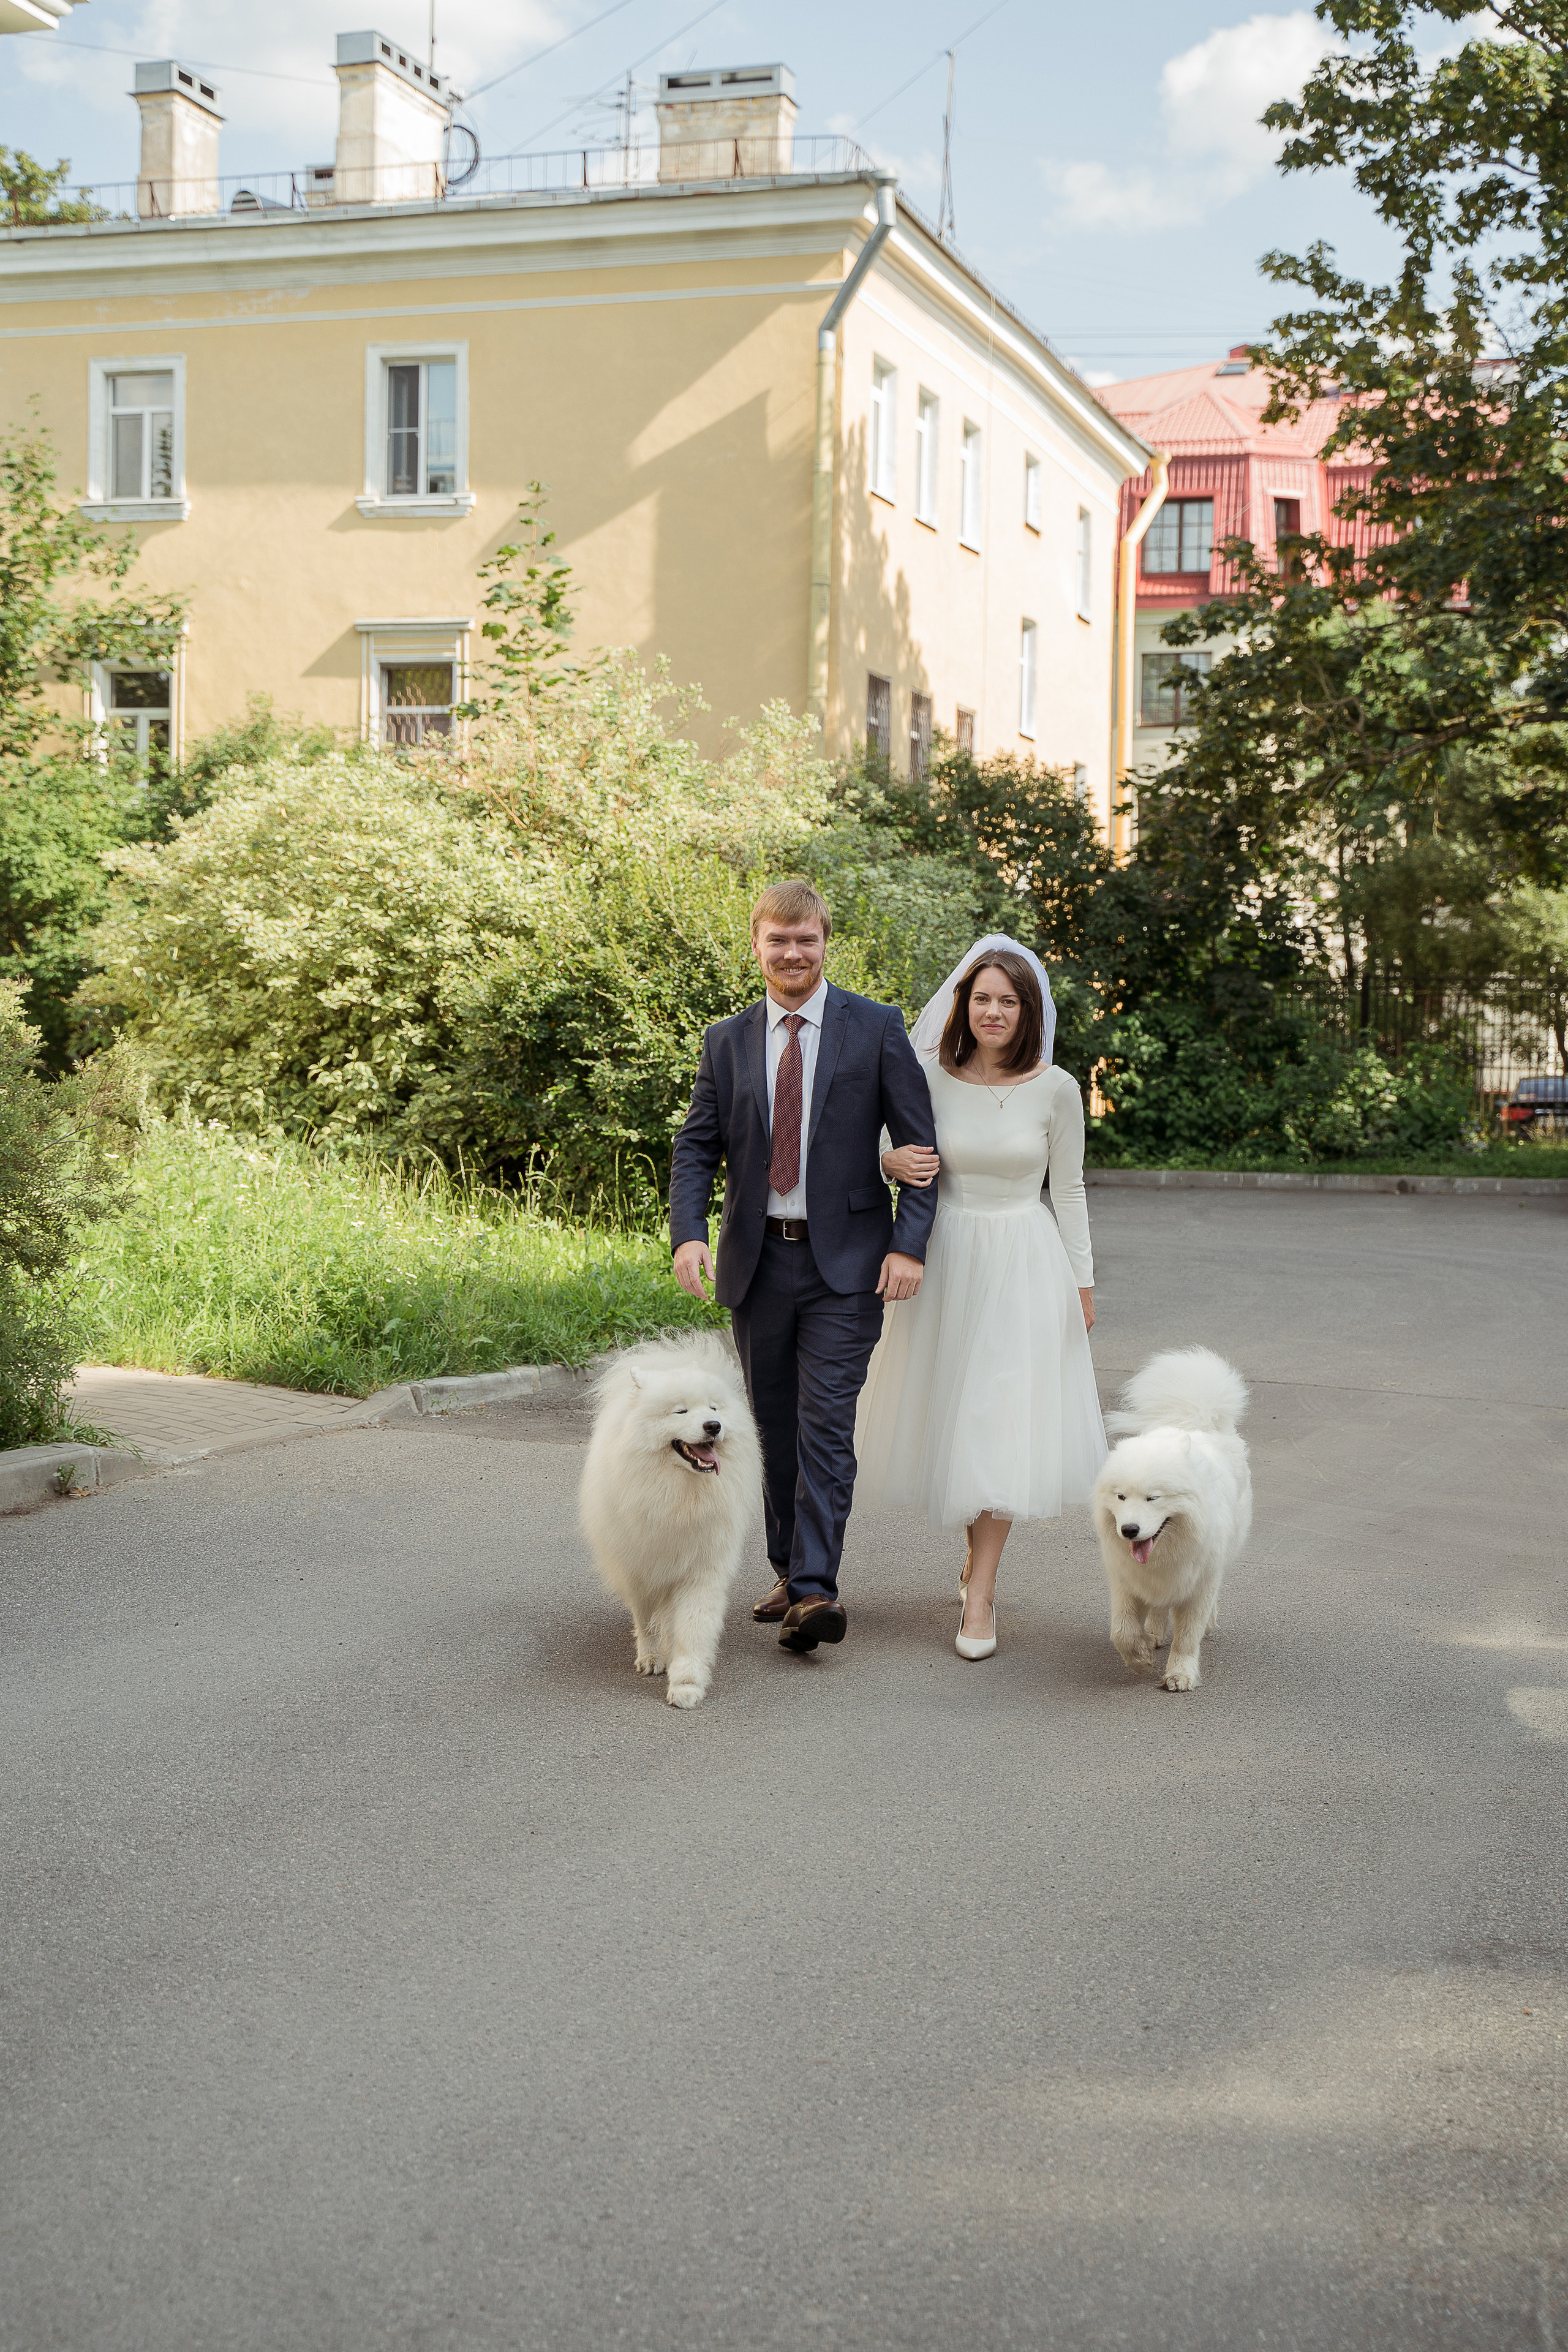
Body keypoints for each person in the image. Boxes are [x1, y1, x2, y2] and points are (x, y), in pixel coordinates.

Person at [668, 880, 939, 1656]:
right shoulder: (726, 1039)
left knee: (825, 1426)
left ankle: (817, 1588)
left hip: (846, 1268)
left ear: (826, 944)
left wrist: (907, 1245)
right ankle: (790, 1573)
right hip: (757, 1264)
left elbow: (921, 1157)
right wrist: (690, 1232)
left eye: (806, 940)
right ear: (756, 945)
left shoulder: (875, 1028)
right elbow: (697, 1147)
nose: (793, 954)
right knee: (775, 1429)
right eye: (778, 940)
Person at [854, 935, 1107, 1661]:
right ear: (963, 1004)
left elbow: (1070, 1190)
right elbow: (869, 1142)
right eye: (982, 997)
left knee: (998, 1419)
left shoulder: (1056, 1088)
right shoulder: (928, 1073)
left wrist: (1082, 1284)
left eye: (1009, 1000)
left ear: (1029, 1012)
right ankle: (977, 1564)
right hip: (946, 1259)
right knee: (962, 1417)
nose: (993, 1011)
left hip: (1026, 1260)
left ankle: (982, 1591)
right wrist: (886, 1158)